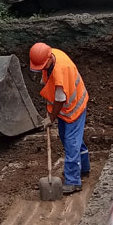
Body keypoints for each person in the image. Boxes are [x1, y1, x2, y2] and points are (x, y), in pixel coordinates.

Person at [29, 43, 90, 195]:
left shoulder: (60, 71)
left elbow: (60, 99)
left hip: (73, 108)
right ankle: (84, 168)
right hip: (65, 108)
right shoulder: (52, 54)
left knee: (71, 142)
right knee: (68, 138)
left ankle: (73, 181)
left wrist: (51, 117)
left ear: (49, 58)